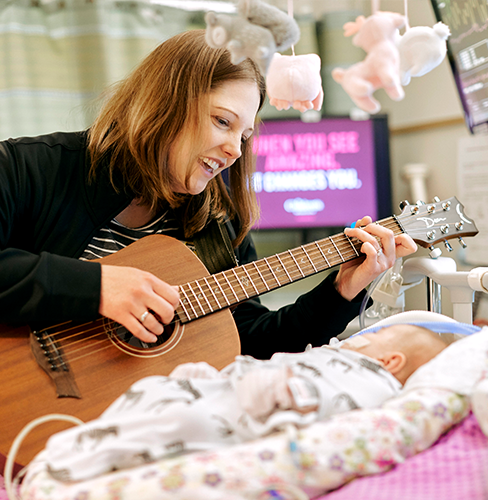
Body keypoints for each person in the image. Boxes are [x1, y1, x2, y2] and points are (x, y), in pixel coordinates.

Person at [0, 29, 417, 360]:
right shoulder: (27, 167)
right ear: (163, 102)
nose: (236, 150)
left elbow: (249, 338)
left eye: (245, 134)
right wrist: (98, 286)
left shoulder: (220, 217)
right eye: (222, 121)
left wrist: (342, 291)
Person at [43, 324, 448, 482]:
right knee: (154, 391)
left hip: (251, 409)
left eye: (371, 337)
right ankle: (79, 452)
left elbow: (338, 398)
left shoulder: (371, 380)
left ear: (389, 361)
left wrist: (292, 393)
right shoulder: (342, 358)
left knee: (188, 421)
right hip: (235, 388)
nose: (348, 340)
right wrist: (215, 378)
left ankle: (74, 470)